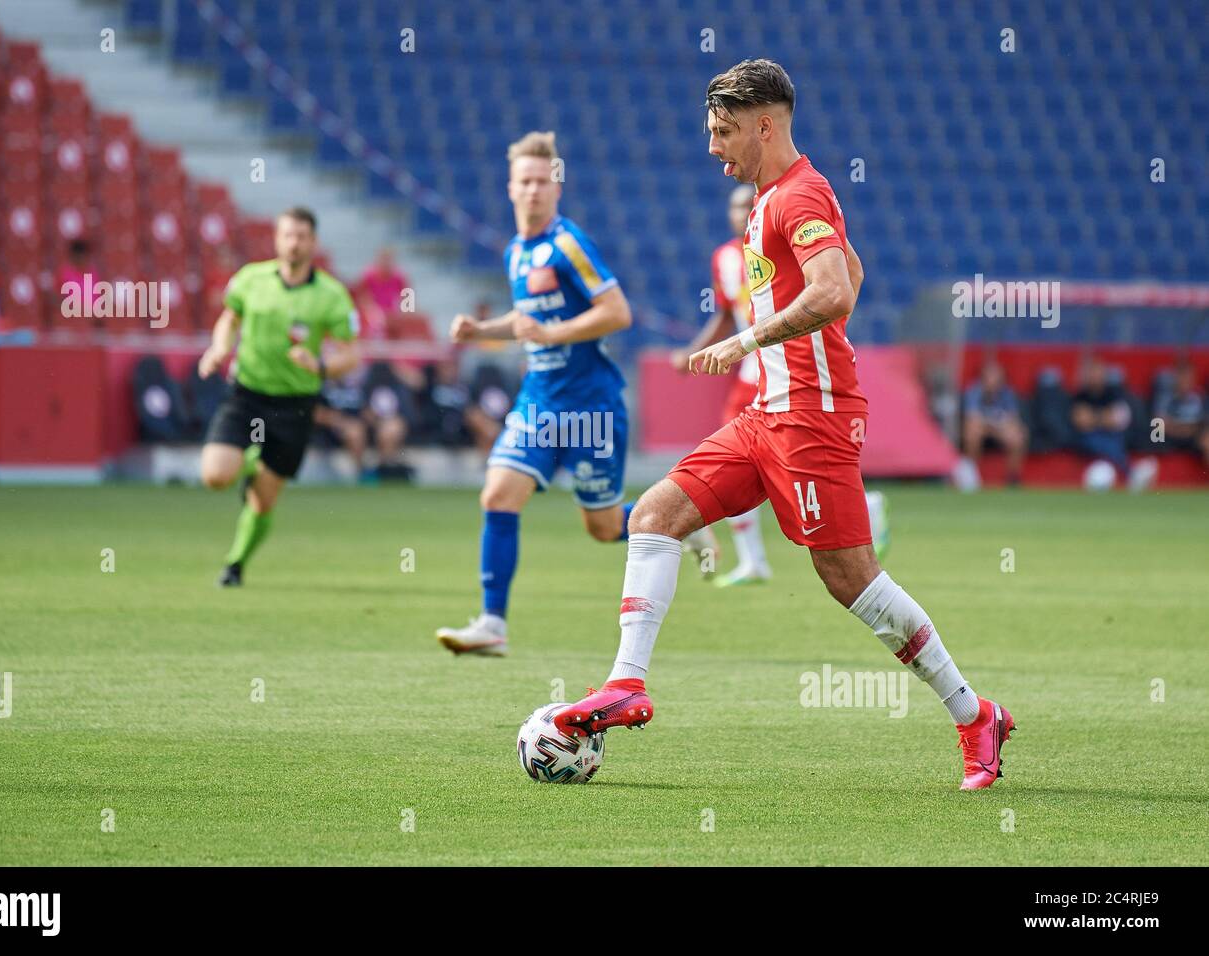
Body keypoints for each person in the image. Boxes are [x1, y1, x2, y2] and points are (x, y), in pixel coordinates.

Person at [552, 60, 1014, 791]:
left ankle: (975, 713)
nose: (713, 146)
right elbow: (851, 280)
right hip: (768, 412)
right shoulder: (777, 198)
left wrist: (748, 340)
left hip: (813, 419)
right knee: (654, 515)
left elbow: (833, 292)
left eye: (723, 130)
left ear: (765, 125)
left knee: (850, 580)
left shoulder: (800, 194)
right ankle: (627, 684)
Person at [434, 130, 717, 657]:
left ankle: (684, 522)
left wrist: (555, 334)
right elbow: (529, 318)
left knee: (604, 527)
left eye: (543, 181)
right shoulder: (516, 252)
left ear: (556, 187)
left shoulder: (568, 243)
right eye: (525, 181)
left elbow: (617, 312)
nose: (534, 190)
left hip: (592, 407)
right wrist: (482, 331)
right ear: (510, 188)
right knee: (497, 494)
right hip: (540, 401)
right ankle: (493, 623)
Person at [675, 185, 889, 585]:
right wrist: (694, 350)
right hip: (748, 373)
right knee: (740, 463)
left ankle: (864, 507)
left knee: (785, 470)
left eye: (746, 204)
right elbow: (725, 315)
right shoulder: (723, 259)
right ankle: (752, 559)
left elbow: (840, 282)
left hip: (790, 377)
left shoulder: (784, 239)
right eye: (734, 206)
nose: (741, 213)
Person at [197, 206, 360, 586]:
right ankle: (249, 463)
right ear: (277, 239)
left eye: (302, 236)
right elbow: (229, 319)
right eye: (288, 235)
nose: (294, 243)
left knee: (263, 501)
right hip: (248, 394)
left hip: (295, 406)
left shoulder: (331, 296)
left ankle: (235, 564)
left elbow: (351, 353)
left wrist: (320, 366)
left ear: (313, 243)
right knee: (216, 476)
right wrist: (219, 348)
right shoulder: (251, 280)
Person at [1071, 357, 1157, 491]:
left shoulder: (1113, 394)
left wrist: (1094, 417)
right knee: (1103, 442)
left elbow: (1116, 420)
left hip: (1110, 434)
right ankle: (1131, 473)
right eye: (1092, 373)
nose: (1095, 376)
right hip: (1087, 437)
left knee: (1115, 440)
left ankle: (1131, 474)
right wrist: (1103, 417)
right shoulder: (1081, 395)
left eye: (1098, 372)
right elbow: (1081, 421)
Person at [958, 359, 1028, 488]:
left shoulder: (1007, 394)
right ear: (982, 378)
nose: (993, 380)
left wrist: (997, 426)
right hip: (983, 430)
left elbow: (1013, 420)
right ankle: (970, 474)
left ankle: (1013, 477)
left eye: (996, 376)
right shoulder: (973, 392)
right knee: (972, 431)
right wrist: (996, 424)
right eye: (990, 376)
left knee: (1018, 435)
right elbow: (972, 418)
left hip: (998, 431)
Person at [1152, 362, 1208, 468]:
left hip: (1192, 439)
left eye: (1189, 378)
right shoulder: (1165, 397)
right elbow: (1158, 423)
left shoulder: (1199, 398)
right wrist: (1186, 429)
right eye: (1182, 377)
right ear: (1175, 378)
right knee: (1156, 432)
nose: (1185, 382)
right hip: (1170, 438)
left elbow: (1203, 423)